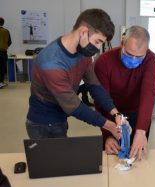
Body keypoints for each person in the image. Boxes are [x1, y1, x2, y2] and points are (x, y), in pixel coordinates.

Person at [26, 9, 123, 139]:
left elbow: (95, 86)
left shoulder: (84, 54)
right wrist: (111, 126)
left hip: (61, 117)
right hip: (42, 123)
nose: (98, 48)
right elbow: (74, 106)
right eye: (97, 41)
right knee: (49, 159)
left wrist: (116, 114)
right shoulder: (51, 63)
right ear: (83, 32)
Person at [94, 26, 155, 159]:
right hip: (111, 114)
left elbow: (148, 94)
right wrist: (107, 136)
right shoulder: (104, 61)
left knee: (136, 156)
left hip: (138, 115)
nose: (134, 59)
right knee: (112, 156)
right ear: (122, 44)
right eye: (129, 54)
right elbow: (101, 100)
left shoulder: (152, 60)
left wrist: (141, 132)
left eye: (139, 56)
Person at [0, 17, 12, 88]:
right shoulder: (6, 31)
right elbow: (9, 42)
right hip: (2, 52)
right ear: (3, 23)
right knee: (1, 68)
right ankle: (1, 82)